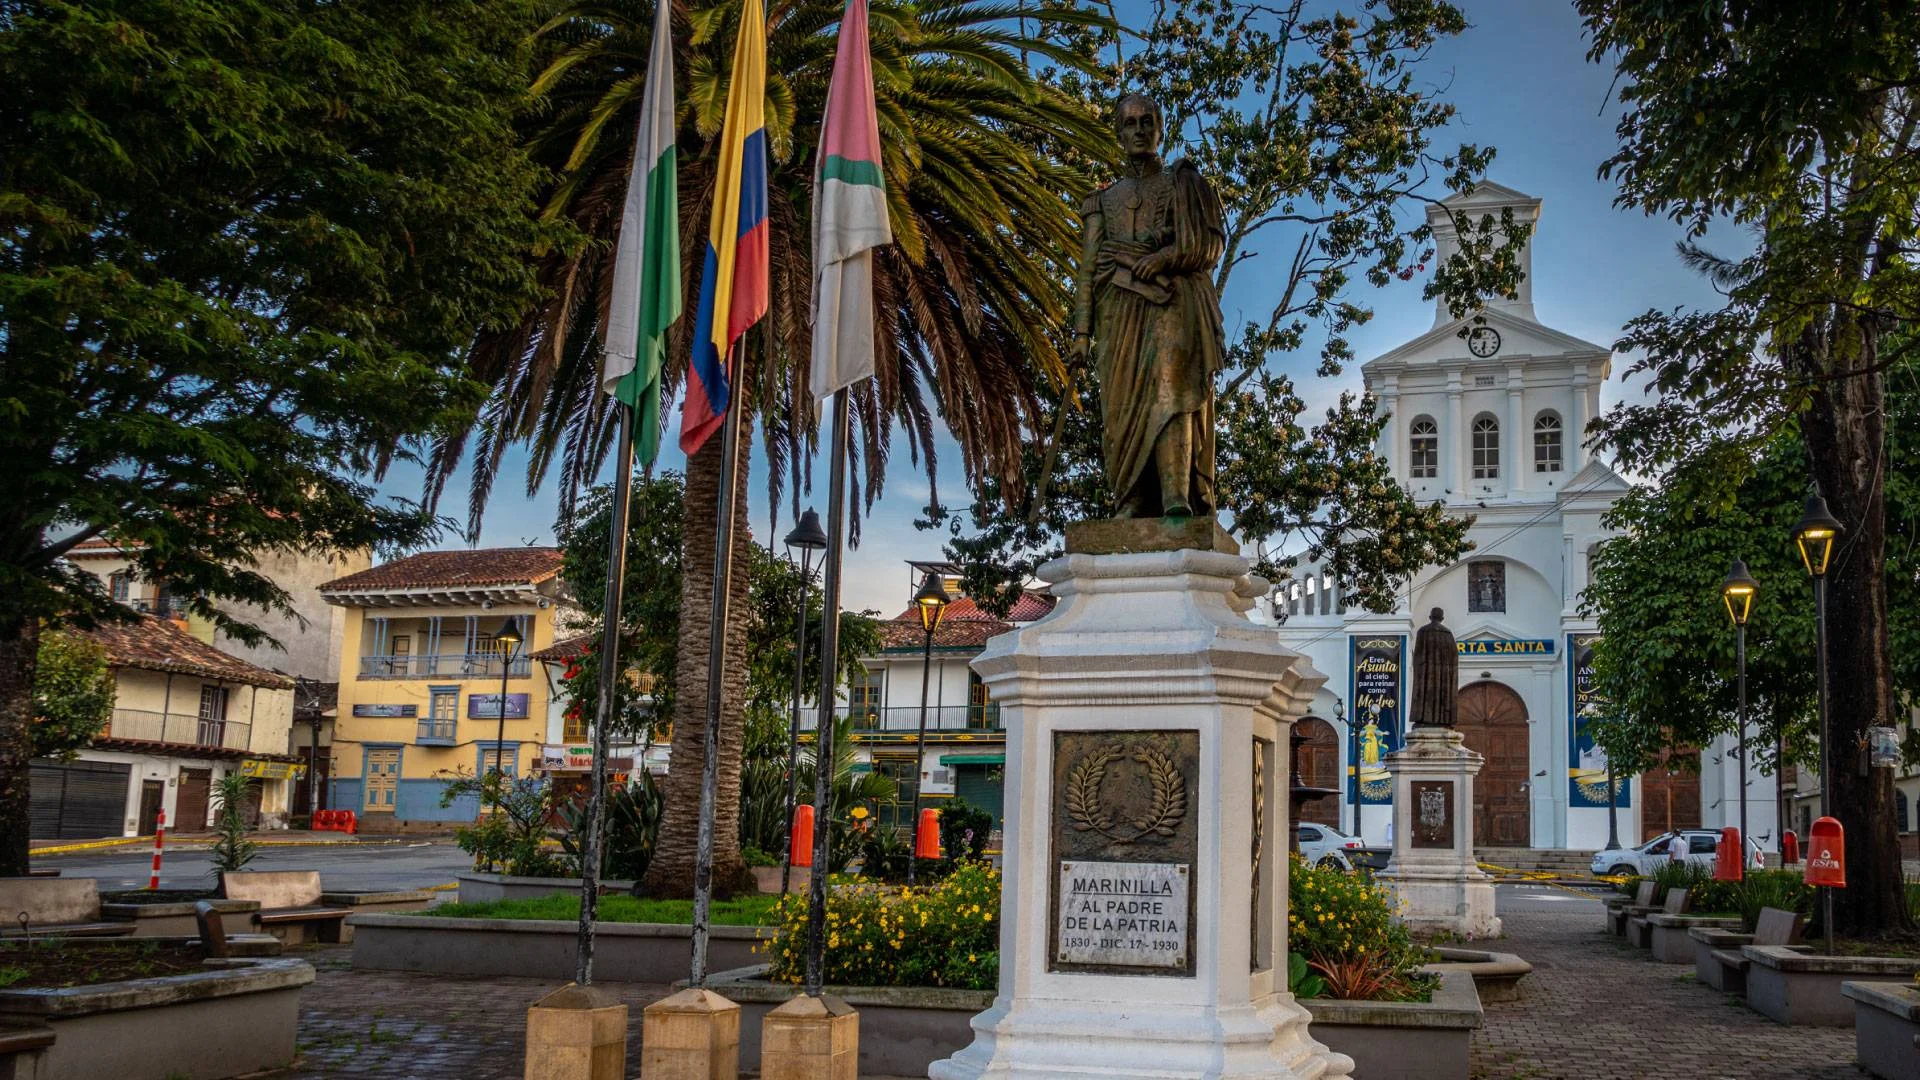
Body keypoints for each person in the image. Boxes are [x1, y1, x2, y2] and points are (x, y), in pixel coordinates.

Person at [1069, 93, 1226, 518]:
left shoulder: (1184, 182)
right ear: (1118, 134)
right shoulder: (1101, 201)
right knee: (1121, 408)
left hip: (1172, 304)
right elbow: (1086, 270)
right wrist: (1081, 335)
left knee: (1173, 390)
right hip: (1118, 315)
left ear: (1161, 129)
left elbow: (1209, 244)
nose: (1139, 130)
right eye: (1130, 123)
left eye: (1147, 122)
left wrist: (1164, 259)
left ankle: (1176, 495)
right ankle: (1132, 500)